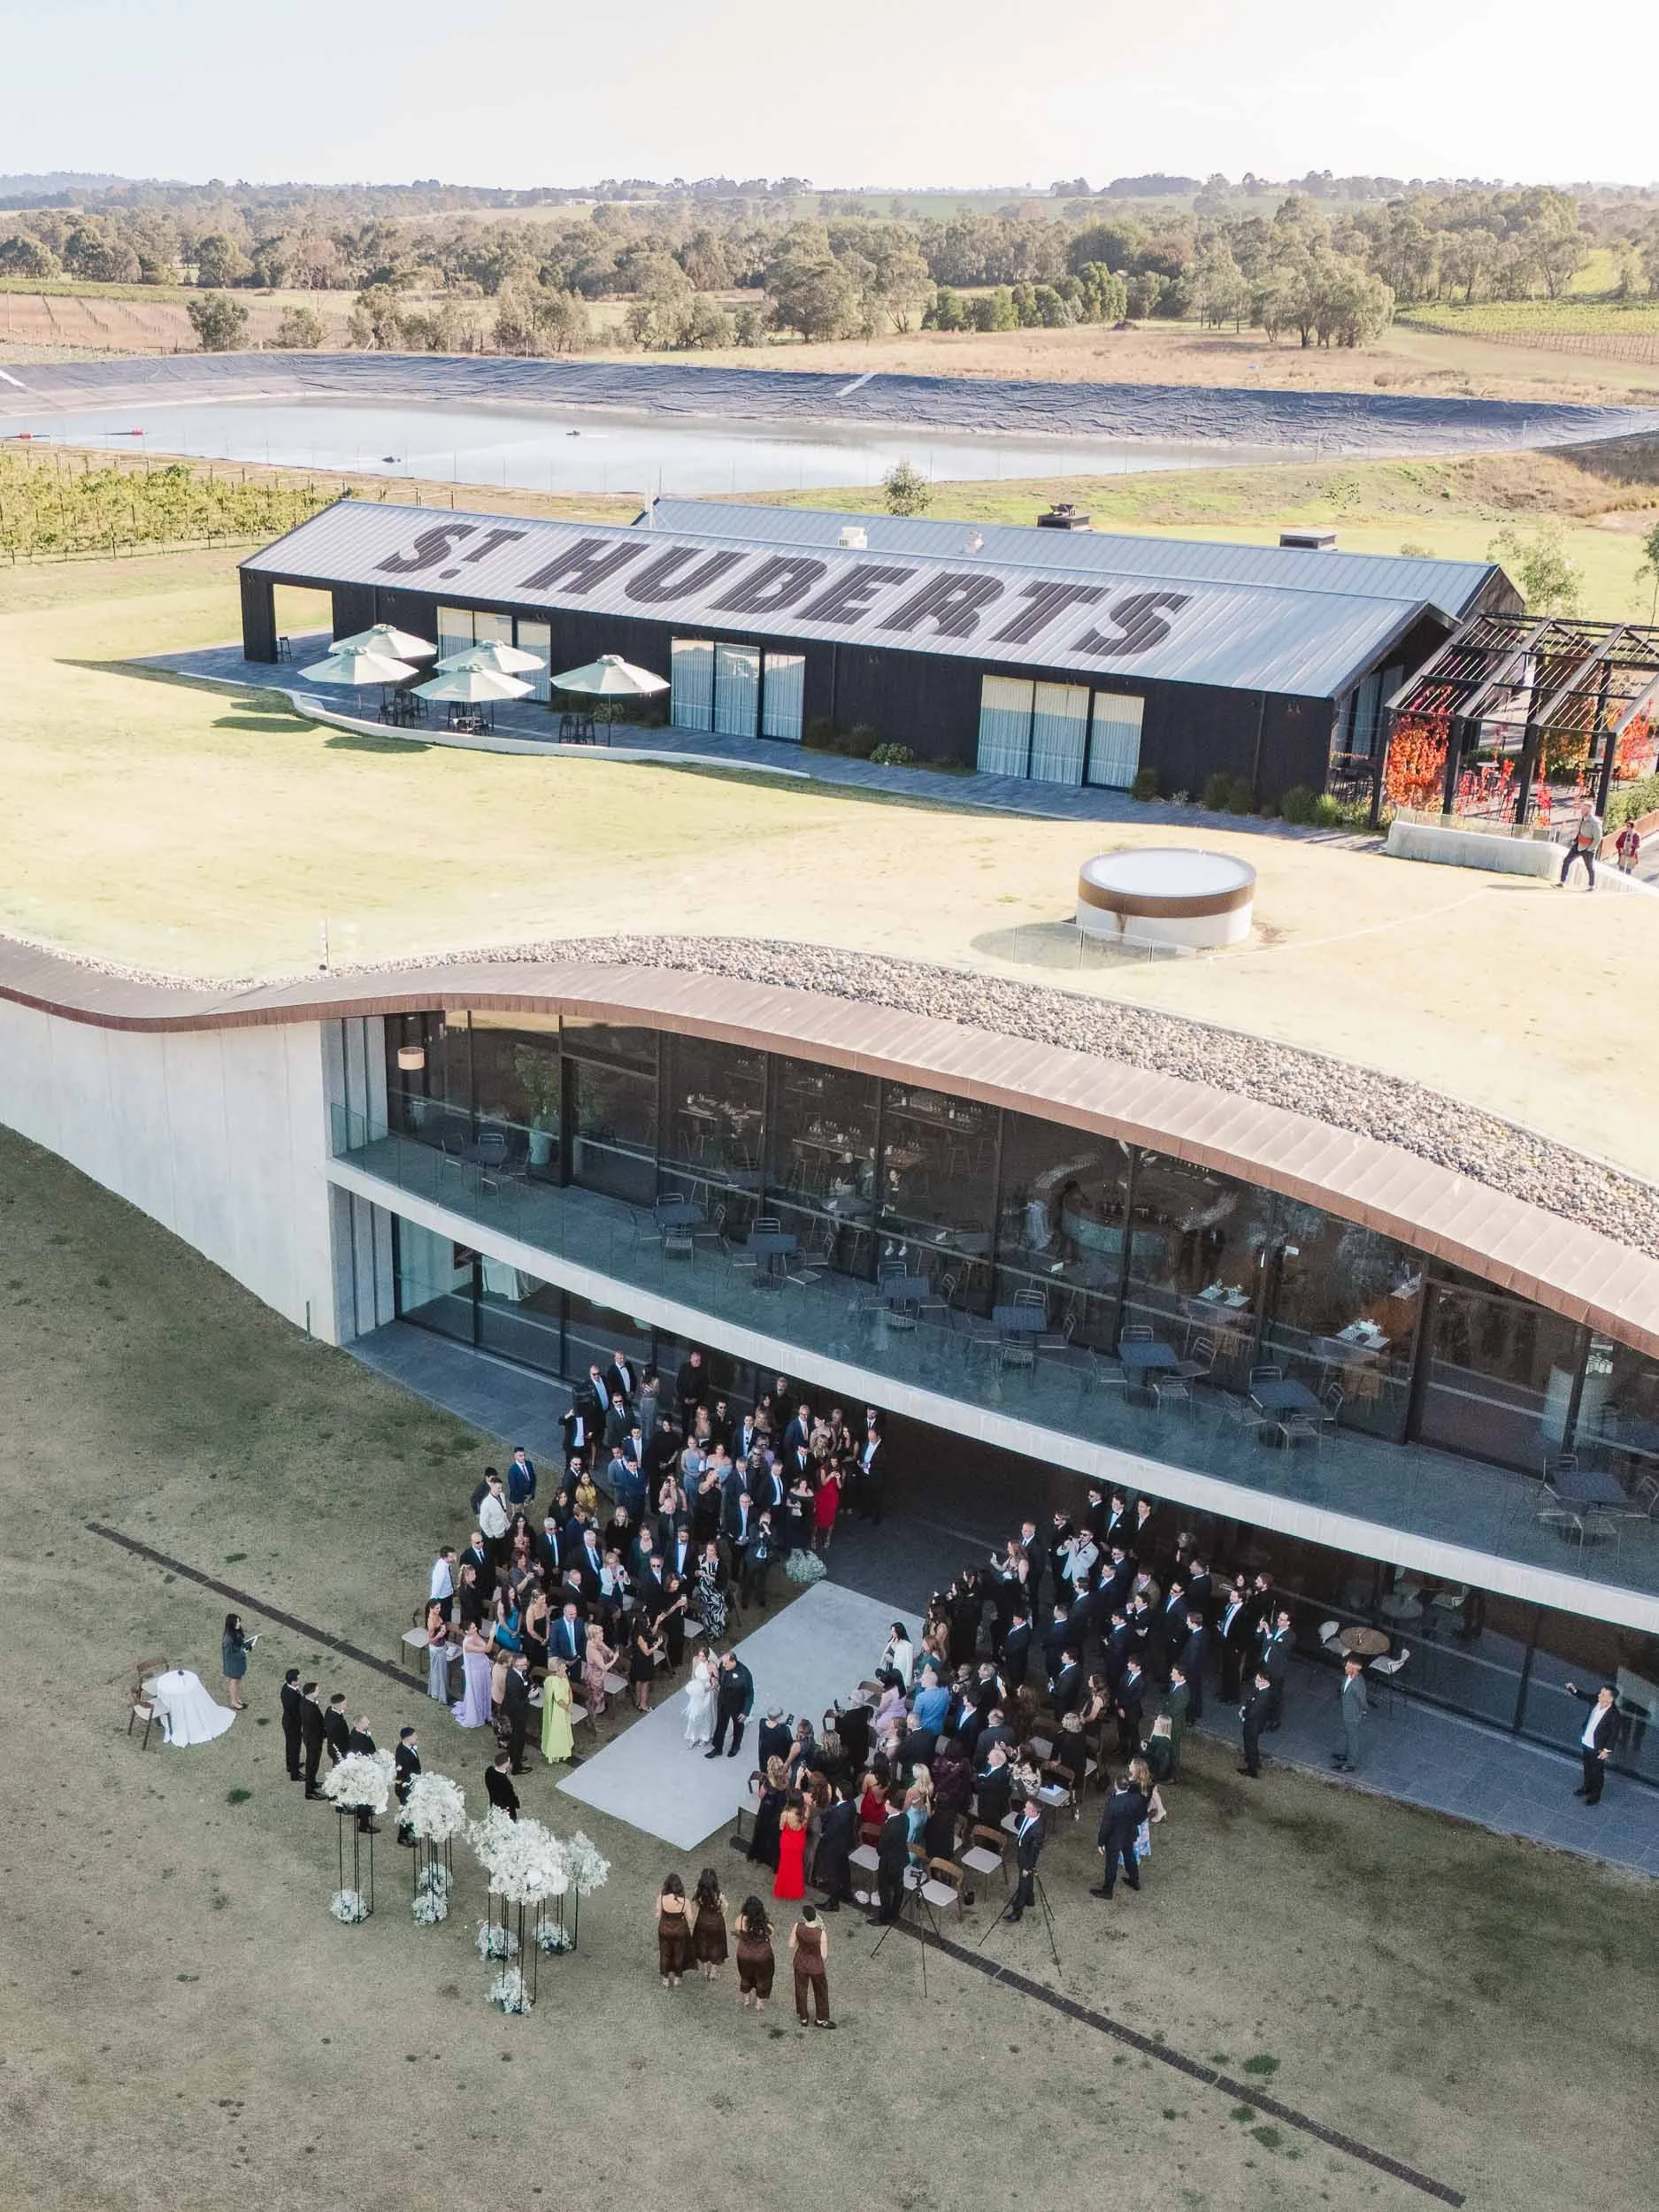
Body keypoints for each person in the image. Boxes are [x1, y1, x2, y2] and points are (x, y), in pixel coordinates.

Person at [1565, 1679, 1621, 1804]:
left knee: (1597, 1772)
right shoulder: (1596, 1700)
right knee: (1587, 1767)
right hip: (1586, 1741)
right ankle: (1587, 1787)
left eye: (1603, 1694)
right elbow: (1585, 1696)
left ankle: (1595, 1795)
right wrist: (1574, 1690)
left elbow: (1613, 1735)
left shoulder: (1614, 1715)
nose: (1599, 1695)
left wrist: (1607, 1750)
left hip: (1598, 1747)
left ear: (1610, 1699)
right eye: (1600, 1692)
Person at [1092, 1771, 1146, 1898]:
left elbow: (1106, 1825)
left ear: (1116, 1785)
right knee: (1129, 1856)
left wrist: (1101, 1842)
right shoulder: (1137, 1798)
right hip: (1129, 1833)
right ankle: (1134, 1880)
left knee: (1112, 1863)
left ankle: (1108, 1890)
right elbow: (1143, 1815)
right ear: (1128, 1786)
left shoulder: (1113, 1803)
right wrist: (1134, 1823)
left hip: (1114, 1838)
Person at [789, 1904, 834, 2030]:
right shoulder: (821, 1933)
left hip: (800, 1963)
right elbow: (824, 1955)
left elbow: (791, 1944)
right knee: (821, 1991)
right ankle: (821, 2019)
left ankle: (803, 2018)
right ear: (815, 1917)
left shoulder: (797, 1926)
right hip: (816, 1966)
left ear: (804, 1917)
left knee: (801, 1989)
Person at [708, 1649, 755, 1760]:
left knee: (738, 1726)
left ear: (733, 1661)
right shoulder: (723, 1665)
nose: (723, 1665)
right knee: (720, 1725)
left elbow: (750, 1693)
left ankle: (735, 1747)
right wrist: (713, 1678)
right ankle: (718, 1748)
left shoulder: (744, 1673)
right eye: (723, 1663)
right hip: (723, 1702)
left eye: (726, 1664)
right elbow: (718, 1676)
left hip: (737, 1705)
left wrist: (745, 1712)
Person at [734, 1896, 775, 2011]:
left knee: (745, 1975)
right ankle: (759, 2003)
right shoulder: (767, 1925)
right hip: (762, 1956)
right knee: (763, 1978)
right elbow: (770, 1937)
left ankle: (747, 2000)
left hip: (744, 1954)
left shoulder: (740, 1919)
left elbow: (738, 1932)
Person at [872, 1794, 910, 1924]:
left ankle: (884, 1917)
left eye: (886, 1803)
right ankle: (894, 1913)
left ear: (891, 1805)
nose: (885, 1805)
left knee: (884, 1889)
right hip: (900, 1858)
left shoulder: (890, 1827)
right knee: (898, 1887)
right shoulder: (904, 1818)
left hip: (889, 1861)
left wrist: (880, 1850)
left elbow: (882, 1845)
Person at [452, 1619, 493, 1729]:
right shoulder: (467, 1644)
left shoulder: (475, 1634)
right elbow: (487, 1649)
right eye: (473, 1628)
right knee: (478, 1692)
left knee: (485, 1689)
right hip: (476, 1672)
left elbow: (483, 1646)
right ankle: (478, 1713)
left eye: (475, 1626)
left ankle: (485, 1712)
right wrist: (492, 1635)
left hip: (483, 1667)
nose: (476, 1629)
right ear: (467, 1631)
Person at [1010, 1794, 1044, 1921]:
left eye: (1027, 1808)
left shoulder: (1037, 1830)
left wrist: (1028, 1867)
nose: (1024, 1809)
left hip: (1026, 1858)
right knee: (1027, 1879)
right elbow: (1018, 1824)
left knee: (1023, 1883)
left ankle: (1017, 1912)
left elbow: (1034, 1852)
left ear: (1034, 1812)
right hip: (1022, 1851)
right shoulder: (1027, 1815)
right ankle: (1030, 1899)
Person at [1332, 1655, 1369, 1773]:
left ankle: (1351, 1764)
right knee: (1349, 1735)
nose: (1345, 1668)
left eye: (1348, 1667)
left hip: (1352, 1715)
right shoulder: (1348, 1677)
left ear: (1354, 1669)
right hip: (1347, 1711)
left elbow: (1362, 1701)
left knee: (1353, 1738)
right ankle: (1347, 1755)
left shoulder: (1357, 1685)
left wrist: (1363, 1711)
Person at [691, 1867, 729, 1980]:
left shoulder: (698, 1892)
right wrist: (721, 1914)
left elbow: (697, 1905)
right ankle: (713, 1972)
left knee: (702, 1944)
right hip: (717, 1923)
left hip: (702, 1921)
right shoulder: (719, 1896)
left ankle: (705, 1970)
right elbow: (725, 1907)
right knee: (716, 1946)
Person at [657, 1872, 691, 1988]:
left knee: (665, 1953)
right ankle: (677, 1978)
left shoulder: (661, 1898)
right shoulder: (685, 1901)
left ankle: (665, 1979)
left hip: (664, 1929)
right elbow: (690, 1917)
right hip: (680, 1930)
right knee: (679, 1953)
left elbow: (658, 1914)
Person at [541, 1659, 575, 1766]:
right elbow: (558, 1699)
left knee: (565, 1729)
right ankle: (555, 1752)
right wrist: (568, 1708)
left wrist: (571, 1702)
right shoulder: (553, 1681)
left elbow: (569, 1689)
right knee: (557, 1731)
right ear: (558, 1668)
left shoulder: (563, 1675)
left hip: (565, 1708)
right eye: (563, 1667)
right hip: (557, 1711)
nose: (566, 1668)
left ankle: (564, 1749)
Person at [1559, 803, 1603, 888]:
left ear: (1589, 810)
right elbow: (1580, 831)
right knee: (1566, 861)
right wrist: (1575, 840)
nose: (1581, 811)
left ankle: (1591, 886)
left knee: (1589, 867)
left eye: (1584, 809)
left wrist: (1590, 849)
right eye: (1582, 809)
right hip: (1578, 845)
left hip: (1588, 848)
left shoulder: (1595, 822)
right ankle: (1562, 882)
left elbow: (1598, 838)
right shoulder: (1582, 819)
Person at [502, 1652, 533, 1773]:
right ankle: (516, 1767)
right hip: (515, 1713)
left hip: (518, 1710)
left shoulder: (520, 1671)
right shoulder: (513, 1680)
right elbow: (516, 1703)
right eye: (522, 1665)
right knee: (518, 1738)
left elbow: (525, 1682)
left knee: (516, 1738)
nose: (525, 1667)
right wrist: (529, 1697)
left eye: (526, 1664)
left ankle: (514, 1757)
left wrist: (529, 1687)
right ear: (514, 1665)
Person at [774, 1793, 807, 1901]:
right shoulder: (805, 1812)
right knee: (796, 1867)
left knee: (785, 1866)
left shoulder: (786, 1814)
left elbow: (781, 1827)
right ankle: (795, 1891)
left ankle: (784, 1890)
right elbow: (804, 1827)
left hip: (787, 1843)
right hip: (799, 1842)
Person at [1240, 1669, 1271, 1778]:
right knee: (1252, 1743)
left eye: (1259, 1680)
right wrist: (1244, 1707)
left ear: (1266, 1681)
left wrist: (1243, 1714)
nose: (1256, 1682)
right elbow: (1251, 1699)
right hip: (1256, 1723)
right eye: (1256, 1679)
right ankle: (1254, 1761)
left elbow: (1253, 1711)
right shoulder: (1261, 1689)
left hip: (1254, 1724)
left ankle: (1252, 1769)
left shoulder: (1263, 1695)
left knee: (1250, 1744)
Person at [630, 1616, 664, 1714]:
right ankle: (643, 1704)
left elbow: (651, 1633)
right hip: (644, 1662)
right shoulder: (640, 1637)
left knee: (639, 1681)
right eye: (647, 1622)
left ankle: (638, 1701)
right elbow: (647, 1652)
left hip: (638, 1660)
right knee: (645, 1683)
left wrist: (657, 1623)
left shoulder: (638, 1632)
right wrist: (656, 1646)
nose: (649, 1623)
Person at [684, 1648, 718, 1748]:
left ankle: (704, 1737)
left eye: (703, 1656)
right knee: (694, 1715)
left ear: (707, 1656)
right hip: (697, 1693)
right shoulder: (695, 1660)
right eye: (699, 1655)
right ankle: (693, 1737)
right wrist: (693, 1687)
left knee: (705, 1715)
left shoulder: (712, 1665)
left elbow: (716, 1683)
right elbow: (693, 1675)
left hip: (707, 1692)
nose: (700, 1658)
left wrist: (706, 1689)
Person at [394, 1725, 420, 1846]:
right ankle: (403, 1837)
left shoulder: (406, 1746)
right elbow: (404, 1775)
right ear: (408, 1738)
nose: (417, 1737)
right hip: (406, 1789)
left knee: (410, 1811)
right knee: (407, 1812)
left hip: (410, 1785)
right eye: (414, 1736)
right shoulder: (403, 1754)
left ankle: (409, 1831)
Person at [220, 1613, 251, 1711]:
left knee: (238, 1681)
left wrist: (246, 1645)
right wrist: (243, 1652)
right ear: (231, 1624)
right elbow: (229, 1655)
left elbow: (240, 1643)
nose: (239, 1623)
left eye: (239, 1621)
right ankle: (233, 1702)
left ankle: (237, 1698)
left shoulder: (237, 1632)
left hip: (239, 1663)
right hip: (233, 1665)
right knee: (234, 1682)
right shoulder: (228, 1639)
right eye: (237, 1622)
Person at [300, 1681, 326, 1799]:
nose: (319, 1691)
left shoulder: (305, 1701)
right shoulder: (310, 1711)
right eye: (317, 1690)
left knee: (313, 1763)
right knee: (312, 1764)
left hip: (310, 1737)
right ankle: (309, 1792)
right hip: (313, 1740)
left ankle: (312, 1783)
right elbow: (317, 1727)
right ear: (311, 1693)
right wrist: (324, 1736)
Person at [426, 1597, 453, 1703]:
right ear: (431, 1608)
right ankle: (438, 1694)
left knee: (441, 1671)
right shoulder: (431, 1623)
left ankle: (439, 1693)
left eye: (439, 1608)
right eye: (437, 1608)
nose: (439, 1610)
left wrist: (443, 1630)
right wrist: (439, 1635)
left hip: (441, 1646)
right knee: (438, 1672)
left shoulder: (437, 1615)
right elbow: (430, 1640)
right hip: (436, 1649)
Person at [280, 1667, 303, 1781]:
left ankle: (291, 1765)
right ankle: (295, 1774)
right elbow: (297, 1713)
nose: (300, 1679)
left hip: (288, 1721)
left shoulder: (287, 1688)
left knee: (290, 1746)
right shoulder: (291, 1696)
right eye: (298, 1678)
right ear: (293, 1681)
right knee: (295, 1749)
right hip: (293, 1725)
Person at [485, 1751, 519, 1820]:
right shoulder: (505, 1782)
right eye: (509, 1761)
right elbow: (510, 1798)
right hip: (504, 1809)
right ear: (505, 1764)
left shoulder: (489, 1771)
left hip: (494, 1802)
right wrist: (516, 1804)